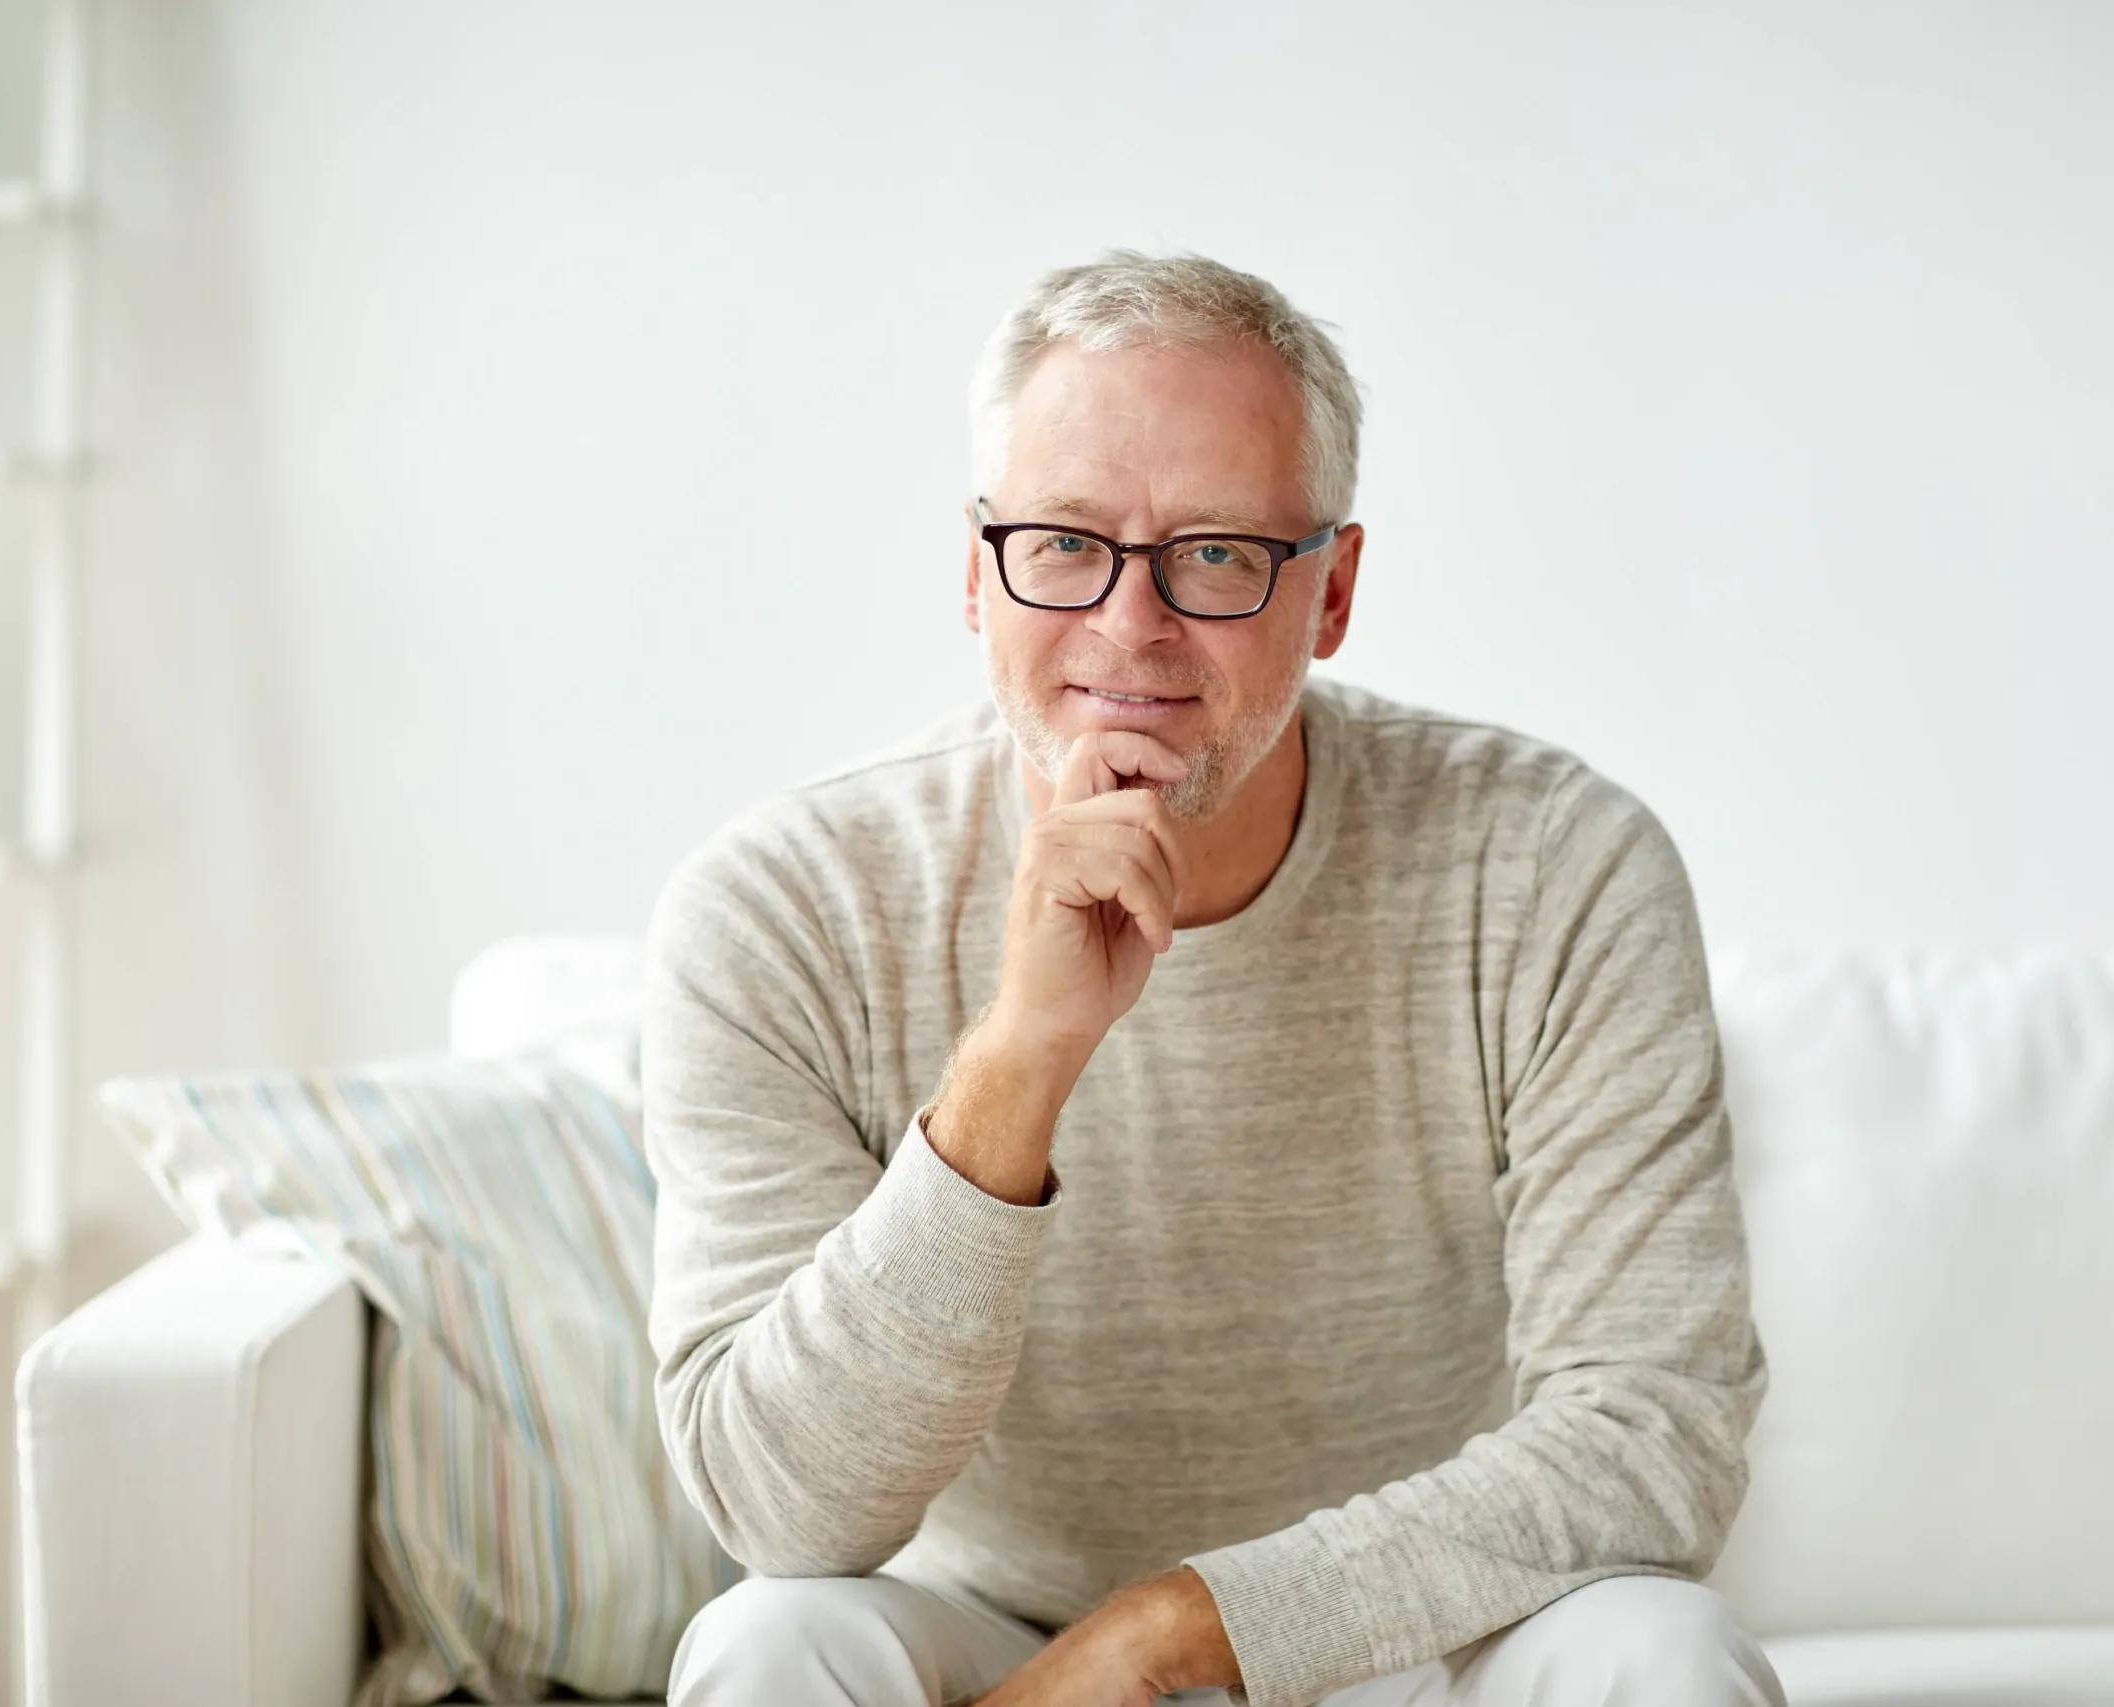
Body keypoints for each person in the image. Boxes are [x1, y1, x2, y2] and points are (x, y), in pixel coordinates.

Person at [643, 250, 1782, 1707]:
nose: (1132, 627)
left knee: (1657, 1649)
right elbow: (780, 1511)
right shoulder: (782, 906)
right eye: (1062, 542)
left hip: (1414, 1644)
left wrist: (1175, 1631)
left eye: (1219, 555)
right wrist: (1023, 1053)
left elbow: (1653, 1428)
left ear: (1333, 593)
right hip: (996, 1647)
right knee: (770, 1638)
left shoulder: (1556, 863)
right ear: (975, 573)